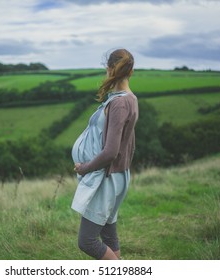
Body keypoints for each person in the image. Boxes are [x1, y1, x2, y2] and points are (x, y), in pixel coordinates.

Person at [71, 48, 138, 260]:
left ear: (109, 70)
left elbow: (111, 151)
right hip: (117, 175)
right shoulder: (129, 98)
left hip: (107, 177)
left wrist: (85, 167)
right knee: (109, 233)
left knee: (87, 241)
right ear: (131, 71)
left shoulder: (119, 103)